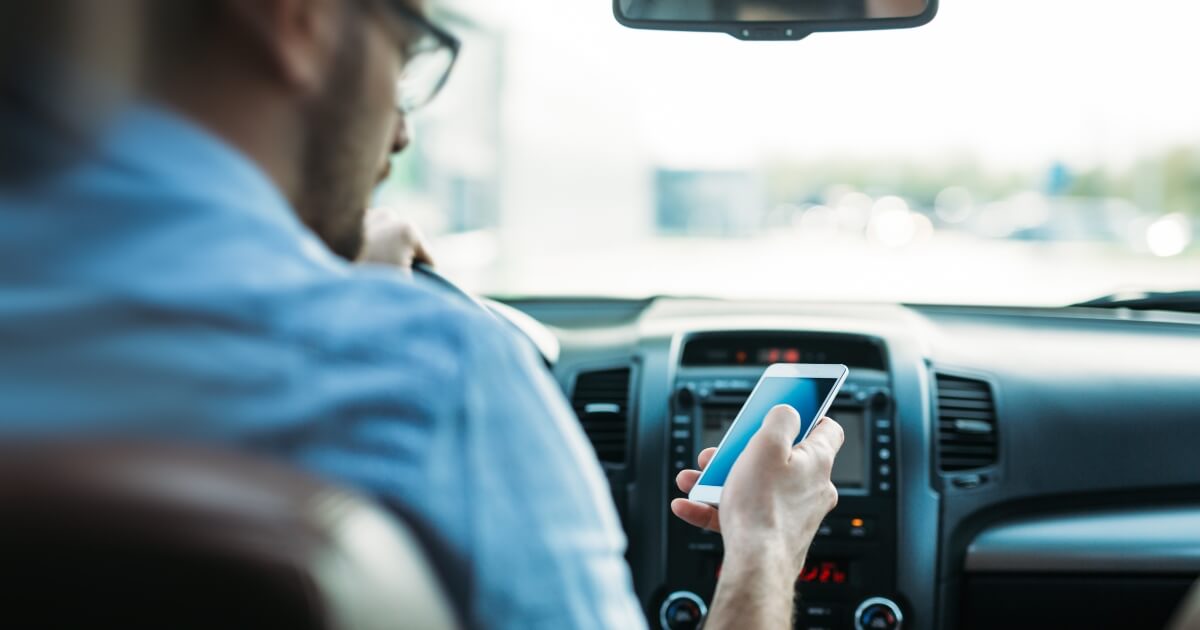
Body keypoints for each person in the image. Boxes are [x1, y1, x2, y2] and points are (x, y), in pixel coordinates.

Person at [0, 0, 844, 628]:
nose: (401, 134)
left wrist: (322, 267)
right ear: (295, 19)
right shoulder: (429, 372)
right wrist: (764, 544)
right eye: (405, 62)